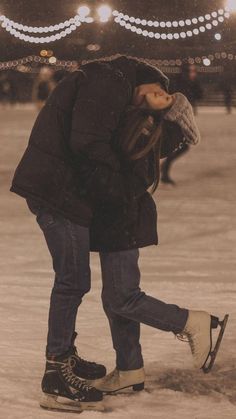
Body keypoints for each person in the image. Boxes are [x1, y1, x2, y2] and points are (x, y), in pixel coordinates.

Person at [10, 55, 175, 412]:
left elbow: (105, 140)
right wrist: (124, 182)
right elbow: (88, 142)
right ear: (143, 81)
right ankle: (56, 372)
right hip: (58, 191)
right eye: (158, 91)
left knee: (73, 280)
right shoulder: (110, 81)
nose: (158, 97)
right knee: (71, 281)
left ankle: (64, 355)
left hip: (64, 190)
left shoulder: (110, 82)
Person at [86, 90, 228, 393]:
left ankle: (190, 322)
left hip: (123, 220)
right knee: (115, 299)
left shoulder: (145, 133)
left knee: (123, 297)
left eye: (164, 98)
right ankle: (129, 368)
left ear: (164, 115)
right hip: (117, 219)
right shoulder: (141, 126)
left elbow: (123, 177)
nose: (156, 92)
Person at [161, 63, 203, 185]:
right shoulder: (177, 82)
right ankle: (164, 171)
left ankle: (164, 170)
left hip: (181, 118)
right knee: (180, 145)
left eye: (194, 71)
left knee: (181, 146)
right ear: (185, 71)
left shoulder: (190, 82)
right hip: (172, 119)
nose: (193, 73)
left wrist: (194, 83)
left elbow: (199, 95)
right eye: (191, 71)